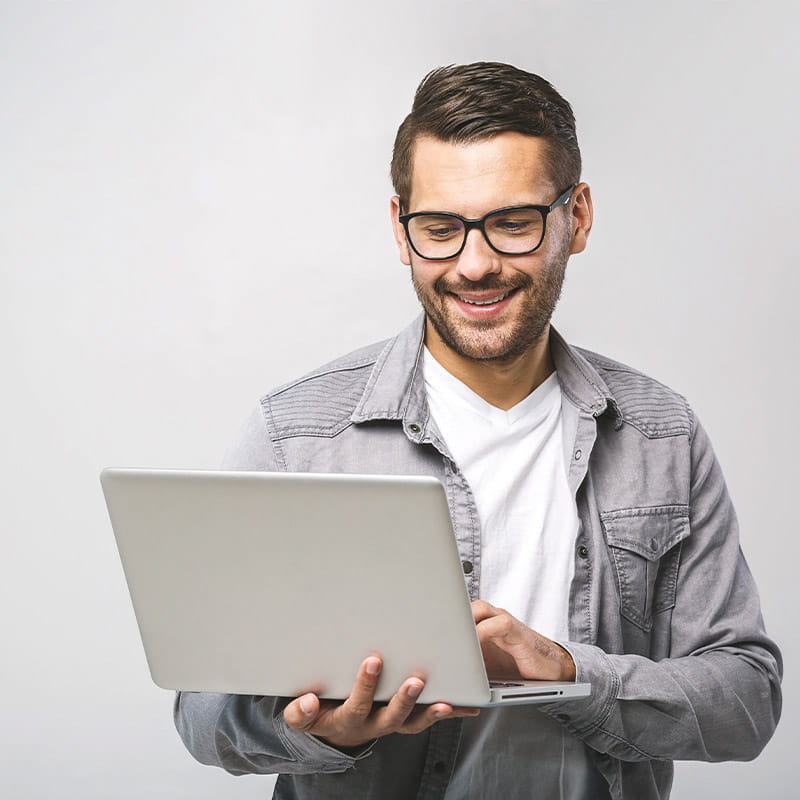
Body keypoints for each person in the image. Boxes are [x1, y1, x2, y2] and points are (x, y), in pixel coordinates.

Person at [173, 62, 782, 799]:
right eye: (440, 229)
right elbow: (202, 715)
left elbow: (747, 700)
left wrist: (571, 672)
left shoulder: (663, 436)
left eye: (513, 224)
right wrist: (315, 730)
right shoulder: (297, 433)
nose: (475, 265)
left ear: (578, 217)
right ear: (400, 230)